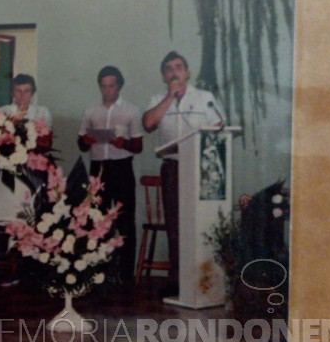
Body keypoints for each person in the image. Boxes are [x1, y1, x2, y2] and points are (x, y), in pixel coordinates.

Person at [141, 51, 223, 298]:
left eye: (178, 67)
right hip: (173, 167)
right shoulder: (158, 98)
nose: (174, 72)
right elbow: (147, 123)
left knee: (201, 223)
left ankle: (205, 279)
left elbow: (220, 126)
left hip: (201, 167)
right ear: (164, 75)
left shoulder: (205, 98)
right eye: (168, 68)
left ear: (188, 72)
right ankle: (177, 279)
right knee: (176, 225)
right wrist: (169, 98)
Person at [77, 66, 143, 285]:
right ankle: (99, 273)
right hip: (98, 170)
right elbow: (81, 143)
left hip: (122, 168)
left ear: (119, 86)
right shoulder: (90, 111)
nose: (107, 90)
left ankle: (126, 275)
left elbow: (138, 146)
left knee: (125, 222)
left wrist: (124, 143)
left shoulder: (131, 110)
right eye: (103, 86)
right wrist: (85, 141)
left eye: (111, 86)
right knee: (97, 222)